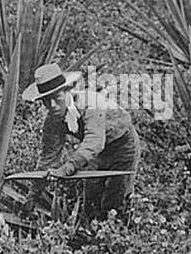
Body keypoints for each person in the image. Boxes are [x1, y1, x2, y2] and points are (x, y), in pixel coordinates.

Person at [22, 62, 140, 223]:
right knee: (91, 200)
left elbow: (94, 141)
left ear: (67, 91)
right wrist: (32, 198)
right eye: (46, 101)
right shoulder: (53, 121)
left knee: (116, 199)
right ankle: (91, 241)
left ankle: (120, 238)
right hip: (96, 154)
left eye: (57, 98)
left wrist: (67, 168)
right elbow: (47, 159)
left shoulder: (91, 102)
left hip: (122, 146)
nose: (53, 106)